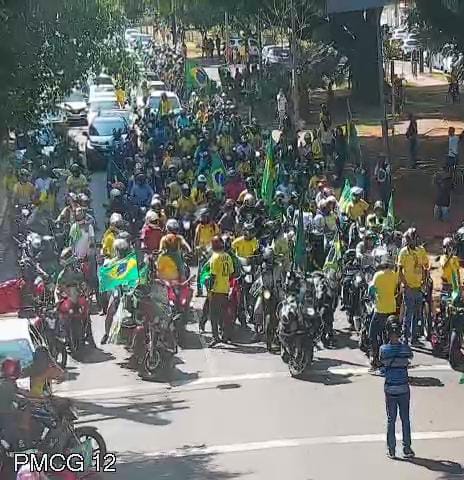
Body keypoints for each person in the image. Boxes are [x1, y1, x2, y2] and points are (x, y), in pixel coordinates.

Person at [380, 316, 415, 459]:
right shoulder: (405, 349)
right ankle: (407, 448)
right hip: (403, 389)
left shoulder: (384, 349)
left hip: (390, 389)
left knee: (391, 419)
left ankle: (392, 450)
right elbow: (410, 357)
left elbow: (382, 364)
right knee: (405, 419)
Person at [397, 228, 429, 344]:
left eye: (414, 238)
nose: (413, 241)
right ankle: (405, 336)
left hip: (418, 287)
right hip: (409, 288)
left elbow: (425, 267)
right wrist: (405, 284)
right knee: (408, 313)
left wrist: (424, 282)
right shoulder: (403, 252)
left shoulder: (421, 251)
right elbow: (400, 270)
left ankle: (414, 337)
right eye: (411, 238)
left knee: (417, 313)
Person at [369, 256, 398, 370]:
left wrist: (374, 297)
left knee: (373, 335)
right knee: (387, 335)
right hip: (391, 309)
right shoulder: (394, 275)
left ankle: (375, 359)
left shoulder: (378, 275)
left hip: (380, 309)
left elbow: (371, 290)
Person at [207, 236, 234, 347]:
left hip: (216, 290)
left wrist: (209, 290)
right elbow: (231, 273)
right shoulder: (227, 256)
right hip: (225, 289)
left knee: (213, 315)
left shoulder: (215, 258)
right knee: (224, 314)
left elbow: (213, 276)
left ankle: (215, 337)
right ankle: (225, 336)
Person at [194, 210, 220, 296]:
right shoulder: (199, 227)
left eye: (204, 217)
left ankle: (212, 289)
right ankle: (199, 291)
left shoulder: (213, 226)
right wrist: (196, 249)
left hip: (211, 252)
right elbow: (196, 239)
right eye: (201, 217)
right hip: (202, 252)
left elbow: (217, 237)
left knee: (211, 271)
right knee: (200, 272)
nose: (202, 219)